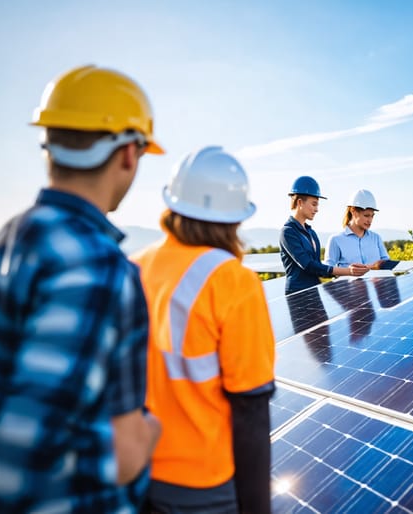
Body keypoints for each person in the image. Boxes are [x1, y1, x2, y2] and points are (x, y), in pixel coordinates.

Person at [0, 65, 163, 512]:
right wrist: (147, 436)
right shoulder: (100, 268)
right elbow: (115, 458)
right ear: (128, 153)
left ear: (50, 148)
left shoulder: (6, 240)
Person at [132, 146, 276, 513]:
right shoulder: (233, 281)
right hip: (201, 486)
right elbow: (251, 412)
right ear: (235, 218)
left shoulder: (133, 266)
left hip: (132, 472)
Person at [280, 176, 369, 294]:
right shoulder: (288, 232)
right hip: (298, 294)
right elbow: (308, 265)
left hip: (315, 291)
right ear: (300, 202)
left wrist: (347, 271)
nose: (317, 209)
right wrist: (349, 271)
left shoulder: (311, 233)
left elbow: (319, 268)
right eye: (314, 204)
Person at [325, 189, 393, 270]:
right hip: (348, 283)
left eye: (372, 216)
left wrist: (371, 267)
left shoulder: (376, 238)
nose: (370, 220)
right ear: (353, 212)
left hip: (377, 282)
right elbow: (328, 270)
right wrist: (349, 271)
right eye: (366, 215)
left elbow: (387, 264)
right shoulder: (336, 240)